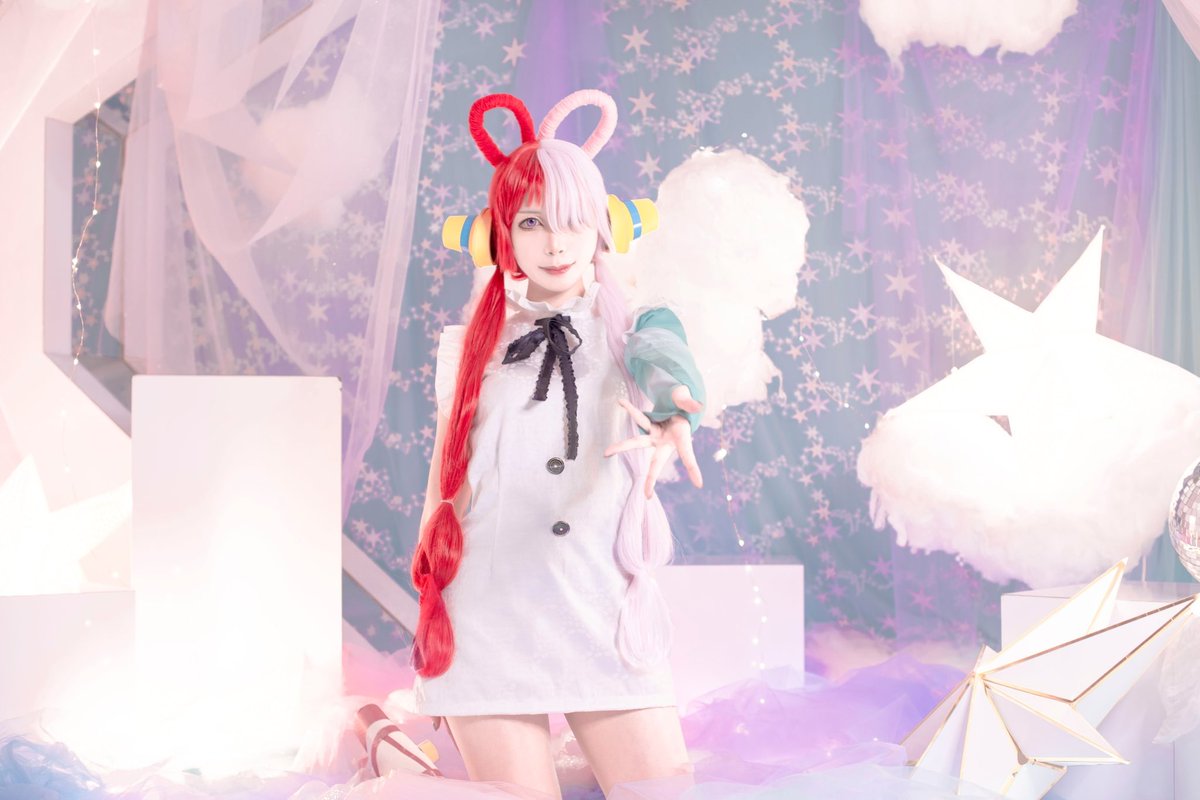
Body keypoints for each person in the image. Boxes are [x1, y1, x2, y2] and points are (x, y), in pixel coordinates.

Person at [408, 89, 707, 798]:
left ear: (602, 226)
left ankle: (390, 749)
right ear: (500, 234)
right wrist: (431, 612)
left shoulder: (636, 327)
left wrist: (675, 413)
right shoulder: (469, 345)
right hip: (487, 614)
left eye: (573, 220)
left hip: (601, 608)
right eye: (532, 222)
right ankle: (391, 749)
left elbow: (666, 367)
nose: (555, 243)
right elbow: (445, 488)